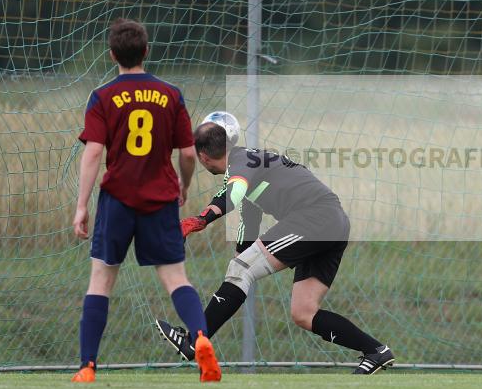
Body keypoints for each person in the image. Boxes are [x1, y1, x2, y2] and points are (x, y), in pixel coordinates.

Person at [156, 121, 394, 374]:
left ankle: (194, 342)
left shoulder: (242, 161)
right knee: (304, 312)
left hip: (314, 219)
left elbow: (233, 194)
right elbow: (249, 221)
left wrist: (201, 220)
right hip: (332, 222)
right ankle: (376, 351)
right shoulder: (252, 162)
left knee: (241, 269)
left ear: (203, 157)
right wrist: (239, 265)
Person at [71, 18, 220, 383]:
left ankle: (88, 367)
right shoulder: (170, 94)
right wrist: (183, 186)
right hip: (159, 200)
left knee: (101, 281)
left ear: (112, 55)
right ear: (146, 50)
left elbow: (92, 154)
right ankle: (201, 338)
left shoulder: (103, 96)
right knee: (175, 278)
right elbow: (187, 153)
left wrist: (81, 205)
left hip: (118, 200)